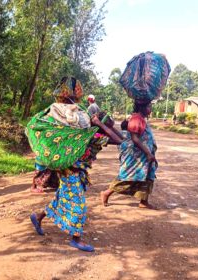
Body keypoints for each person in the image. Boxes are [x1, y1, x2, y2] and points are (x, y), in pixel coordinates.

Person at [28, 77, 122, 252]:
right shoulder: (86, 129)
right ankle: (76, 238)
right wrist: (99, 124)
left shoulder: (85, 129)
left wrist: (99, 125)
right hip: (70, 170)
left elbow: (119, 139)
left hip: (70, 168)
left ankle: (38, 216)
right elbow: (118, 139)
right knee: (78, 202)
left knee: (62, 197)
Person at [100, 101, 158, 209]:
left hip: (144, 155)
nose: (151, 109)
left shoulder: (141, 119)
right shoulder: (136, 119)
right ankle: (106, 193)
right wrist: (148, 153)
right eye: (149, 106)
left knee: (148, 177)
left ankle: (143, 201)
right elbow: (135, 138)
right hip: (137, 156)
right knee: (128, 177)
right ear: (142, 107)